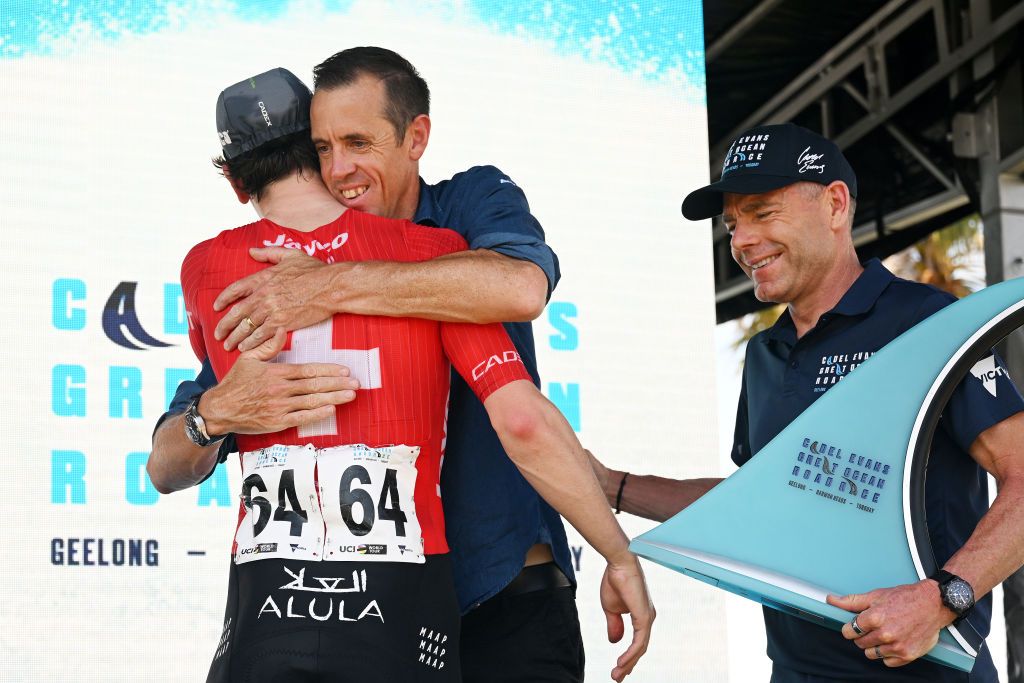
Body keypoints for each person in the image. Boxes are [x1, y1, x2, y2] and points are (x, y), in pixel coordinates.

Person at [148, 65, 653, 682]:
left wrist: (329, 283)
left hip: (308, 605)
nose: (342, 169)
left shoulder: (213, 270)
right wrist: (213, 415)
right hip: (411, 606)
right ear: (310, 149)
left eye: (358, 145)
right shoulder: (424, 250)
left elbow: (520, 286)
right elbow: (522, 419)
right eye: (328, 149)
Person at [591, 122, 1024, 682]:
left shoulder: (927, 323)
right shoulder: (765, 353)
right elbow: (765, 504)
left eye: (762, 213)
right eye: (732, 224)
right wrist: (611, 487)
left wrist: (943, 598)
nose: (742, 240)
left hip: (928, 670)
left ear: (836, 204)